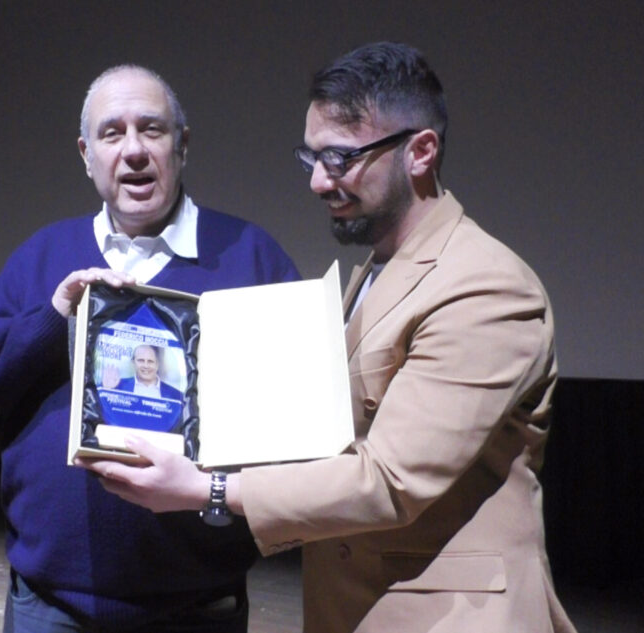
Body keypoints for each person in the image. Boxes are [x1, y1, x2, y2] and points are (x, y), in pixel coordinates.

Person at [78, 43, 578, 633]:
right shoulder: (378, 270)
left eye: (340, 158)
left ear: (420, 152)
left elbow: (391, 480)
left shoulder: (485, 286)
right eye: (311, 158)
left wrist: (210, 490)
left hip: (450, 616)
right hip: (359, 605)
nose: (318, 181)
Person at [0, 65, 299, 632]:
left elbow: (298, 418)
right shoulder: (45, 254)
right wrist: (53, 316)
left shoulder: (250, 256)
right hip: (50, 607)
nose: (133, 150)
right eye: (112, 133)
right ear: (87, 155)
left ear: (182, 145)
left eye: (151, 129)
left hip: (197, 609)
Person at [107, 344, 182, 400]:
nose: (146, 366)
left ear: (157, 364)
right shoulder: (117, 386)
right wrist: (108, 389)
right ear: (133, 362)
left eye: (150, 361)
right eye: (141, 360)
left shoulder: (176, 395)